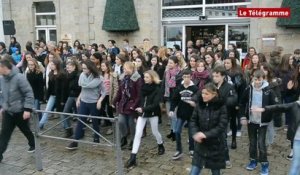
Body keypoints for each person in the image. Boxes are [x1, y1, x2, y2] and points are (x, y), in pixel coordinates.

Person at [239, 70, 277, 175]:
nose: (257, 82)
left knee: (261, 143)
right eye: (255, 79)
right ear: (252, 78)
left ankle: (264, 164)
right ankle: (253, 160)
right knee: (252, 142)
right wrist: (243, 116)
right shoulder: (248, 88)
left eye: (259, 79)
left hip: (263, 122)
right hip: (251, 120)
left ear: (263, 79)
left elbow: (275, 105)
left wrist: (264, 109)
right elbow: (242, 103)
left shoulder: (269, 90)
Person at [126, 70, 165, 168]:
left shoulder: (157, 88)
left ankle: (160, 144)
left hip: (152, 113)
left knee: (155, 132)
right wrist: (136, 112)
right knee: (138, 134)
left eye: (147, 77)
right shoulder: (142, 87)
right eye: (144, 77)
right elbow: (139, 100)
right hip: (141, 113)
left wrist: (143, 109)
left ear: (152, 77)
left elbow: (155, 104)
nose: (145, 78)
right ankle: (133, 157)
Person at [0, 57, 35, 163]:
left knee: (26, 130)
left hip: (20, 111)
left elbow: (29, 93)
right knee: (4, 134)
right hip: (8, 112)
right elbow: (2, 95)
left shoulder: (19, 77)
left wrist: (27, 109)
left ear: (5, 68)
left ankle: (33, 143)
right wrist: (2, 107)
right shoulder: (2, 79)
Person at [251, 100, 300, 175]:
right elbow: (279, 107)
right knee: (296, 164)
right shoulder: (296, 105)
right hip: (298, 140)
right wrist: (264, 109)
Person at [66, 60, 105, 149]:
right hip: (83, 101)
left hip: (94, 102)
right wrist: (79, 99)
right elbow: (83, 89)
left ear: (90, 69)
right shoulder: (82, 76)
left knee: (95, 122)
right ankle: (75, 141)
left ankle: (96, 138)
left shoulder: (98, 78)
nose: (83, 70)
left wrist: (100, 101)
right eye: (82, 68)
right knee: (81, 120)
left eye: (85, 69)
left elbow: (104, 91)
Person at [189, 83, 227, 175]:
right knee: (194, 172)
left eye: (206, 94)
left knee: (215, 172)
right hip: (200, 146)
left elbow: (222, 126)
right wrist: (195, 132)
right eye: (202, 93)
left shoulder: (221, 106)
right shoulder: (199, 105)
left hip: (216, 146)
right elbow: (193, 121)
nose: (203, 96)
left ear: (214, 94)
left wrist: (206, 134)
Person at [113, 61, 143, 149]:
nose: (124, 70)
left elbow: (139, 94)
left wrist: (134, 105)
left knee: (131, 124)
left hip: (132, 104)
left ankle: (133, 140)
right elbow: (120, 92)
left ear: (131, 69)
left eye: (126, 69)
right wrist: (115, 101)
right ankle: (124, 136)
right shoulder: (123, 78)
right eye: (124, 68)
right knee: (121, 121)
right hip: (123, 103)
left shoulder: (137, 79)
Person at [169, 69, 198, 160]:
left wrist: (195, 104)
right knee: (177, 131)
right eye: (184, 77)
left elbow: (199, 100)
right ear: (182, 77)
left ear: (191, 77)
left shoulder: (194, 88)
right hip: (181, 113)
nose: (186, 79)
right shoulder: (179, 87)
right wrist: (172, 109)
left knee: (191, 133)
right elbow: (174, 99)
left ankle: (192, 149)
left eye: (188, 77)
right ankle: (179, 149)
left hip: (191, 114)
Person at [162, 56, 182, 141]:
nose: (169, 64)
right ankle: (172, 130)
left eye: (171, 63)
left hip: (175, 97)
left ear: (176, 64)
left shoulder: (179, 73)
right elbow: (163, 84)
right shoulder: (166, 72)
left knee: (174, 116)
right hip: (167, 95)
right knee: (169, 115)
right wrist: (163, 95)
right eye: (168, 62)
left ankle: (175, 132)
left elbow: (180, 87)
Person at [61, 60, 81, 138]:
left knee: (79, 115)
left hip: (77, 96)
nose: (68, 69)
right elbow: (65, 88)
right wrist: (63, 99)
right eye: (67, 67)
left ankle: (79, 131)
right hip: (70, 96)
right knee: (64, 113)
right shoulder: (67, 76)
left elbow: (78, 87)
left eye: (70, 67)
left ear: (74, 67)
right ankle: (68, 129)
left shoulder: (78, 75)